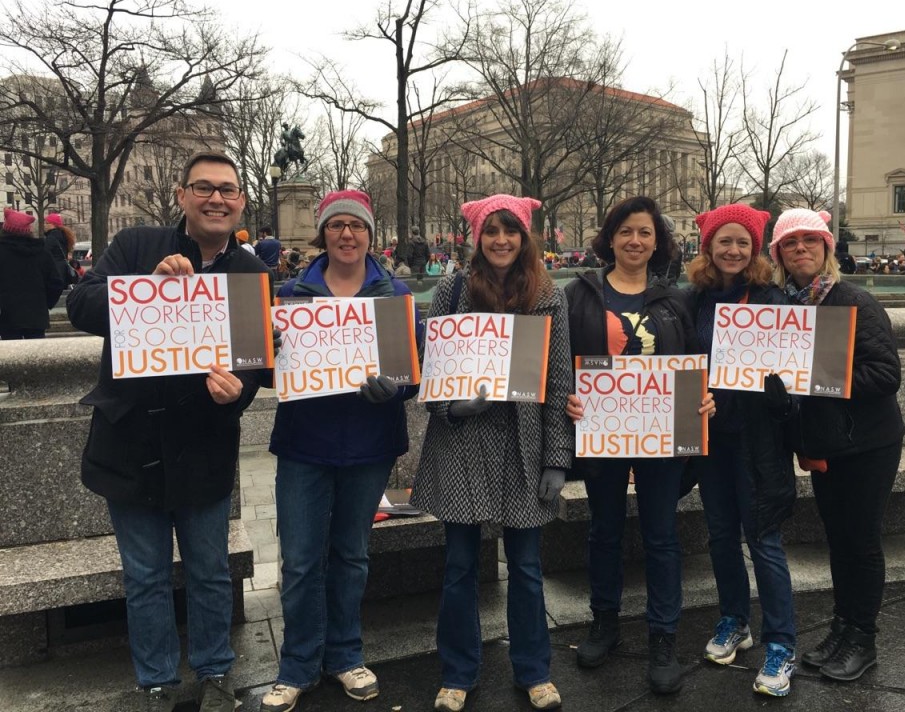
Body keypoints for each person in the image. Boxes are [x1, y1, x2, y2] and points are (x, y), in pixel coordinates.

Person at [66, 151, 272, 712]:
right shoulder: (138, 245)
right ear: (181, 196)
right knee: (145, 576)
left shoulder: (250, 272)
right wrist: (141, 287)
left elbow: (255, 360)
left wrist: (243, 389)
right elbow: (81, 303)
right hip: (129, 442)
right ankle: (155, 681)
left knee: (210, 572)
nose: (216, 199)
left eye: (228, 190)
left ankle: (214, 674)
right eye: (204, 187)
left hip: (202, 444)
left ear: (241, 202)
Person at [411, 194, 573, 712]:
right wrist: (454, 408)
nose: (501, 240)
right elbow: (431, 379)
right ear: (476, 238)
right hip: (463, 443)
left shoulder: (549, 296)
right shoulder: (452, 291)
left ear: (525, 237)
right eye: (491, 231)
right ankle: (458, 671)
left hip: (523, 444)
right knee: (460, 565)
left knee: (526, 566)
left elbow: (558, 381)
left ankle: (534, 669)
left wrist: (556, 459)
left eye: (510, 230)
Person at [261, 190, 420, 712]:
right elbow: (267, 373)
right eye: (336, 226)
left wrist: (393, 389)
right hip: (305, 444)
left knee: (350, 556)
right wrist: (272, 356)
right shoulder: (291, 295)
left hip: (368, 445)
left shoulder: (394, 294)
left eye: (356, 225)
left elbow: (412, 376)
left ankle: (346, 655)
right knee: (301, 559)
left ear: (370, 234)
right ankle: (298, 664)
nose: (347, 234)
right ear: (322, 233)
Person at [563, 196, 715, 695]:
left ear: (657, 241)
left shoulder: (677, 300)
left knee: (662, 536)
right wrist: (568, 398)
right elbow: (560, 363)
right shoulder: (580, 296)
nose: (635, 241)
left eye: (645, 233)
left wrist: (703, 400)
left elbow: (694, 363)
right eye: (626, 231)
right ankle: (604, 622)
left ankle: (663, 637)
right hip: (602, 434)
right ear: (610, 237)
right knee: (603, 530)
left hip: (663, 436)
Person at [769, 208, 905, 683]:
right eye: (790, 242)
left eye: (810, 240)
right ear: (779, 254)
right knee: (839, 540)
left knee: (861, 542)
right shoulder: (783, 310)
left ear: (827, 248)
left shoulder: (854, 302)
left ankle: (862, 639)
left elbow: (887, 376)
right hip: (827, 444)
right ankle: (842, 628)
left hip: (868, 445)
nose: (800, 248)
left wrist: (818, 377)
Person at [680, 204, 798, 697]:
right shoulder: (693, 301)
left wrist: (780, 392)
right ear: (708, 246)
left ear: (754, 250)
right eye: (724, 241)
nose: (733, 250)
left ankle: (781, 643)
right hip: (710, 438)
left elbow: (795, 380)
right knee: (721, 535)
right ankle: (734, 618)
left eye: (743, 243)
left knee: (764, 539)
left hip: (758, 442)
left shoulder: (773, 300)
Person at [0, 208, 64, 339]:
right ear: (28, 231)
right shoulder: (42, 252)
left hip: (7, 316)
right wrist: (44, 304)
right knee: (37, 357)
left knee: (11, 357)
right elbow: (56, 283)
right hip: (36, 316)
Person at [44, 212, 77, 287]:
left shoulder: (51, 238)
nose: (44, 225)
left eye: (46, 223)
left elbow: (45, 253)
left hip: (54, 272)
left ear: (53, 225)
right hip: (63, 270)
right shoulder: (63, 236)